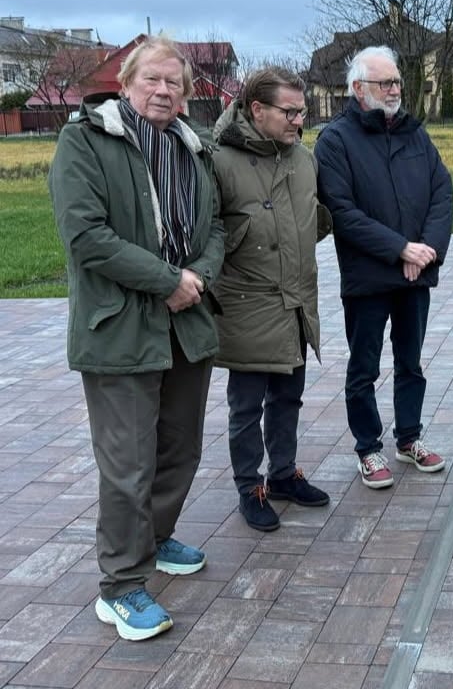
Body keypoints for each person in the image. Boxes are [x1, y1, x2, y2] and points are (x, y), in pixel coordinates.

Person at [48, 37, 224, 641]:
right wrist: (168, 281)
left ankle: (154, 538)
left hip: (186, 324)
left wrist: (199, 276)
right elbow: (86, 236)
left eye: (174, 83)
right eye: (151, 79)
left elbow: (218, 225)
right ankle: (121, 585)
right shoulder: (85, 141)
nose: (163, 90)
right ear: (126, 83)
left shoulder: (193, 148)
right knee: (127, 464)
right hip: (120, 328)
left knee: (181, 448)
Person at [315, 45, 452, 488]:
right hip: (369, 277)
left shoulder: (415, 134)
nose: (394, 90)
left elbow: (441, 192)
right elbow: (342, 211)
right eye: (385, 83)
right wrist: (400, 250)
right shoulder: (335, 140)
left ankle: (408, 437)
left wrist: (426, 249)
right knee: (365, 367)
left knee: (410, 362)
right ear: (358, 89)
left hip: (415, 275)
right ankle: (368, 448)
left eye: (396, 82)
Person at [210, 67, 331, 531]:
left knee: (289, 397)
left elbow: (314, 219)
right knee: (246, 406)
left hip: (295, 303)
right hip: (246, 306)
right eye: (290, 111)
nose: (298, 120)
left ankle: (283, 474)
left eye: (302, 111)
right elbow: (210, 231)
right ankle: (250, 486)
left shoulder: (302, 158)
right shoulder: (219, 160)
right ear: (256, 110)